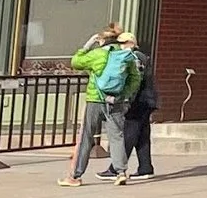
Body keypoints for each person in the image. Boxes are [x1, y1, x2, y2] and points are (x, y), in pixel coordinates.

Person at [59, 23, 126, 186]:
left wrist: (87, 45)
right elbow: (135, 78)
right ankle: (121, 172)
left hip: (95, 99)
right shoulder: (124, 55)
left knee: (86, 137)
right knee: (116, 136)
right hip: (116, 99)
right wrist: (125, 95)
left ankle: (75, 175)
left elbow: (75, 62)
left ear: (102, 40)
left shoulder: (97, 54)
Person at [113, 32, 157, 184]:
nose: (120, 46)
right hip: (147, 100)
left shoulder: (134, 57)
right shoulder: (142, 56)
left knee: (129, 134)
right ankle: (145, 167)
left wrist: (126, 99)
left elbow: (134, 81)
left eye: (123, 42)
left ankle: (116, 168)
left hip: (138, 101)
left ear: (130, 43)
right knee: (142, 136)